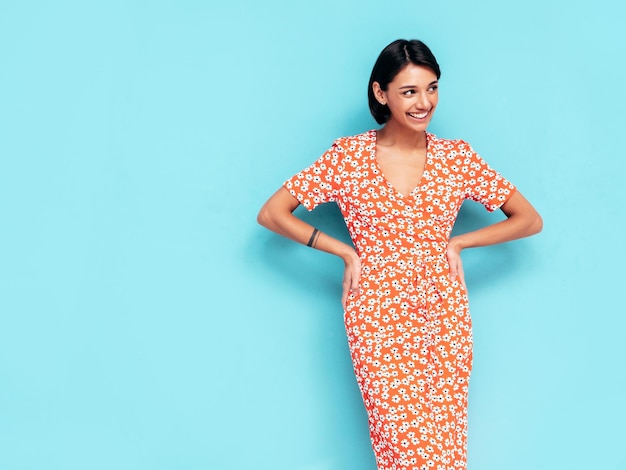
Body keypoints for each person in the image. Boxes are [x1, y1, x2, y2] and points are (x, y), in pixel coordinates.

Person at [257, 39, 542, 470]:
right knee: (402, 441)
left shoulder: (457, 158)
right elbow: (273, 213)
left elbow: (528, 219)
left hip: (443, 314)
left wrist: (459, 242)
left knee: (444, 444)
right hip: (376, 310)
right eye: (409, 91)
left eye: (432, 88)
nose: (423, 102)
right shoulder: (348, 157)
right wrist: (343, 252)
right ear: (381, 93)